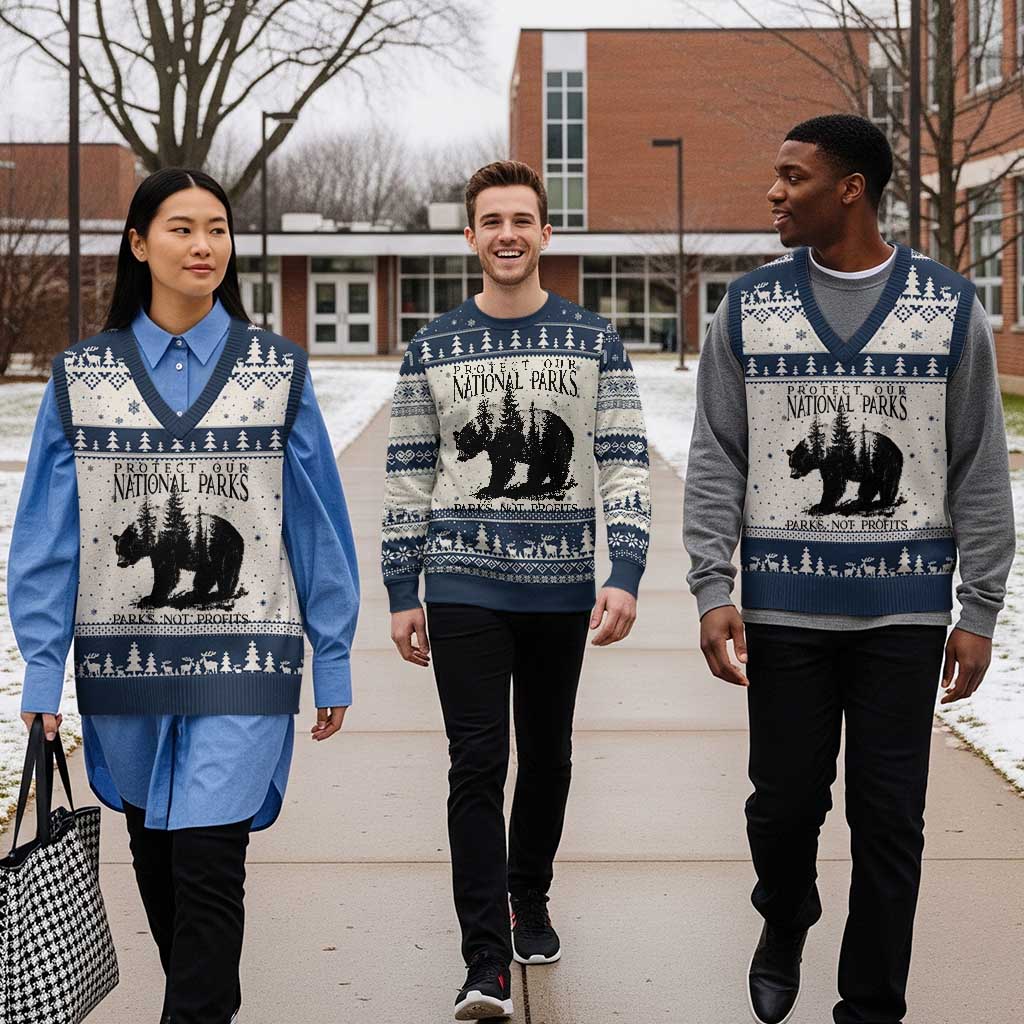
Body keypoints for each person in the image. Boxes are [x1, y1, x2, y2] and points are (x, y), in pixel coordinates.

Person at [684, 113, 1015, 1024]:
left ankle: (871, 1005)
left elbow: (979, 463)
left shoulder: (947, 308)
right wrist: (713, 585)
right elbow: (718, 452)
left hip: (905, 618)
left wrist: (980, 607)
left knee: (889, 824)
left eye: (793, 176)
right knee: (782, 810)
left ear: (851, 189)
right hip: (785, 612)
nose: (774, 192)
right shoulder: (749, 306)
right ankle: (784, 914)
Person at [10, 167, 359, 1024]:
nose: (204, 246)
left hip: (246, 662)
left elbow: (316, 525)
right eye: (181, 228)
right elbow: (48, 540)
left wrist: (334, 654)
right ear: (138, 243)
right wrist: (43, 675)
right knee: (159, 862)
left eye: (217, 229)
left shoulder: (277, 372)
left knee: (209, 863)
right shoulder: (81, 378)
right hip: (122, 667)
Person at [381, 160, 651, 1021]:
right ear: (470, 236)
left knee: (549, 752)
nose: (507, 234)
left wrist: (628, 569)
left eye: (522, 220)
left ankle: (527, 895)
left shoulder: (593, 339)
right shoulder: (432, 347)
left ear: (545, 233)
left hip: (562, 586)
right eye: (491, 220)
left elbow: (623, 460)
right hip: (461, 582)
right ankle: (484, 960)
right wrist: (401, 586)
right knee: (476, 761)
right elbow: (408, 476)